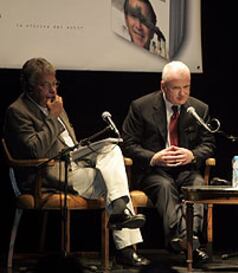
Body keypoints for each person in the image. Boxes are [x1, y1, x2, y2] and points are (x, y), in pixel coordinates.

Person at [3, 58, 150, 268]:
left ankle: (119, 213)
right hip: (46, 170)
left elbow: (69, 139)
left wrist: (82, 149)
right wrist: (52, 118)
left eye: (54, 84)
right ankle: (125, 245)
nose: (52, 90)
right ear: (29, 86)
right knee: (112, 182)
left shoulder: (56, 106)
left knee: (111, 147)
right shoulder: (17, 111)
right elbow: (35, 150)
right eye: (45, 85)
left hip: (73, 159)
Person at [122, 61, 215, 265]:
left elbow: (208, 143)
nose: (183, 94)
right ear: (163, 87)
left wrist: (192, 155)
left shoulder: (199, 108)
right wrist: (153, 157)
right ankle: (187, 242)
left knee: (197, 186)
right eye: (176, 88)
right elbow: (128, 144)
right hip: (153, 171)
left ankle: (185, 239)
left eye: (187, 87)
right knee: (164, 187)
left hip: (186, 170)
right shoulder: (141, 107)